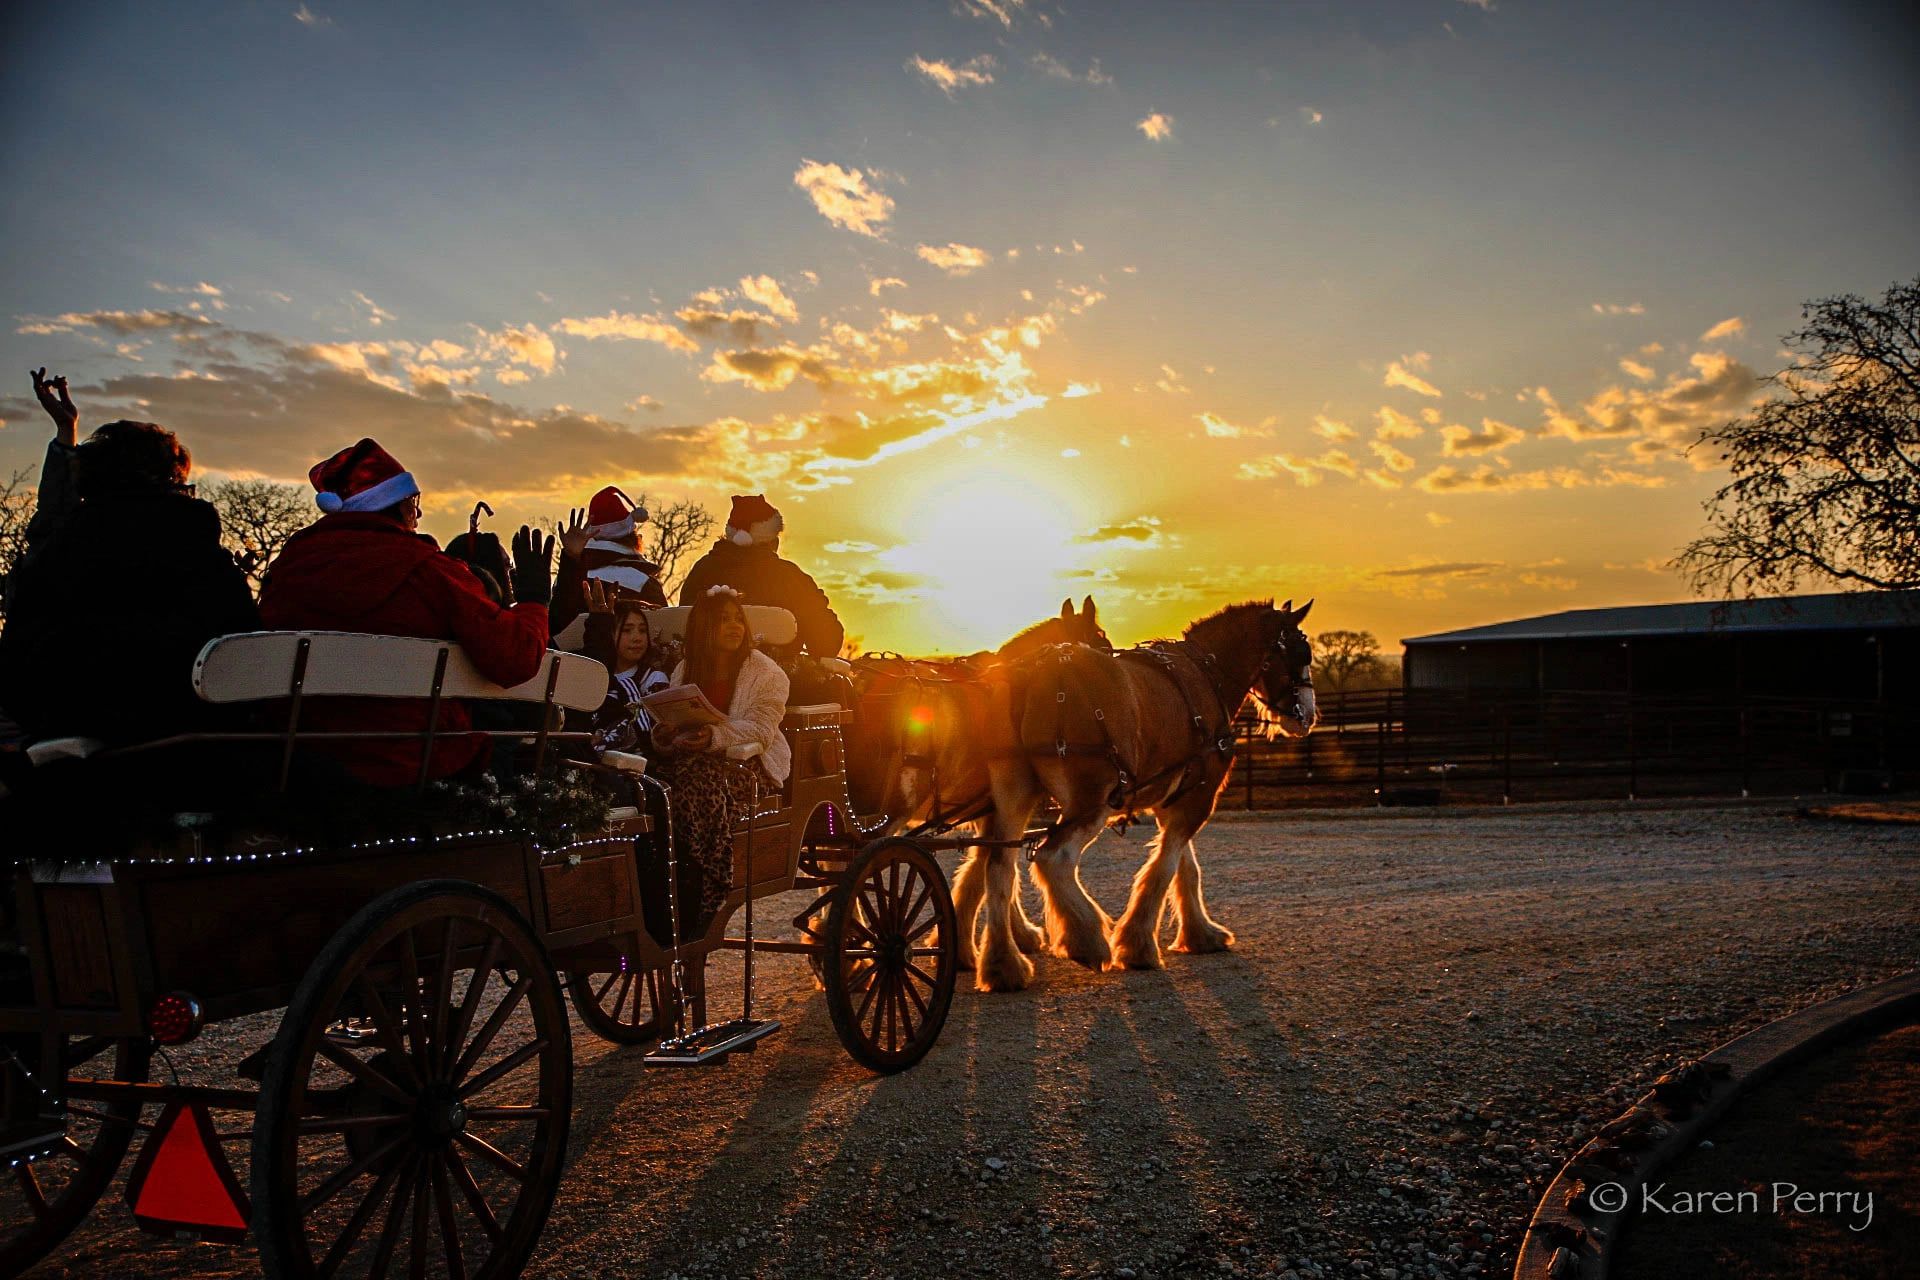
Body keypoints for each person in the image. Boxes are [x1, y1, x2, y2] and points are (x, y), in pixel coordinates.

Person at [258, 438, 554, 787]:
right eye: (414, 504)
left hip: (298, 760)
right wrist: (534, 600)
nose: (419, 515)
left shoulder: (286, 572)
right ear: (394, 506)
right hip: (420, 762)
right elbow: (514, 659)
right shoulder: (430, 572)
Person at [0, 368, 259, 749]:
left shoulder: (65, 546)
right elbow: (244, 647)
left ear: (90, 478)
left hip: (70, 719)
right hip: (185, 723)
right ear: (172, 477)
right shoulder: (199, 549)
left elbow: (19, 651)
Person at [648, 585, 791, 935]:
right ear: (705, 627)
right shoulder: (686, 668)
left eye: (737, 619)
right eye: (723, 620)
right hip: (690, 758)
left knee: (698, 784)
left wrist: (714, 736)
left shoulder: (766, 672)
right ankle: (659, 873)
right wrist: (665, 734)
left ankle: (705, 876)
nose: (734, 626)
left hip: (748, 763)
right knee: (652, 784)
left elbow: (762, 729)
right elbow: (677, 716)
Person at [677, 494, 843, 662]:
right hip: (779, 674)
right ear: (773, 541)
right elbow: (826, 643)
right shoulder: (790, 578)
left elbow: (680, 630)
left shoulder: (702, 571)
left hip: (706, 673)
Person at [587, 595, 670, 754]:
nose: (637, 638)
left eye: (642, 630)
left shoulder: (654, 679)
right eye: (627, 630)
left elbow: (657, 732)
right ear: (610, 634)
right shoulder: (597, 678)